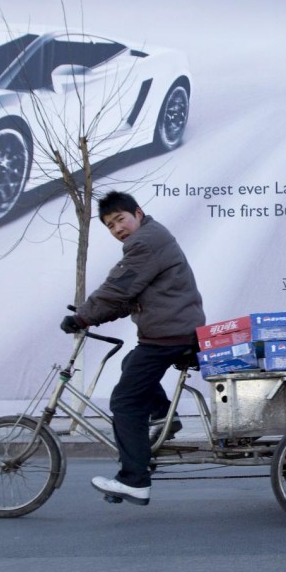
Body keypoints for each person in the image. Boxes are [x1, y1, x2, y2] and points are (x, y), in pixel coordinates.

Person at [60, 191, 205, 506]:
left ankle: (134, 480)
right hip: (172, 330)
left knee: (125, 402)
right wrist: (89, 317)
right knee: (131, 363)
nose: (117, 229)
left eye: (120, 219)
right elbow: (126, 299)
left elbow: (118, 288)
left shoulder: (145, 243)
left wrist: (83, 317)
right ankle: (164, 416)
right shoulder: (150, 238)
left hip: (169, 334)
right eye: (110, 226)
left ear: (138, 213)